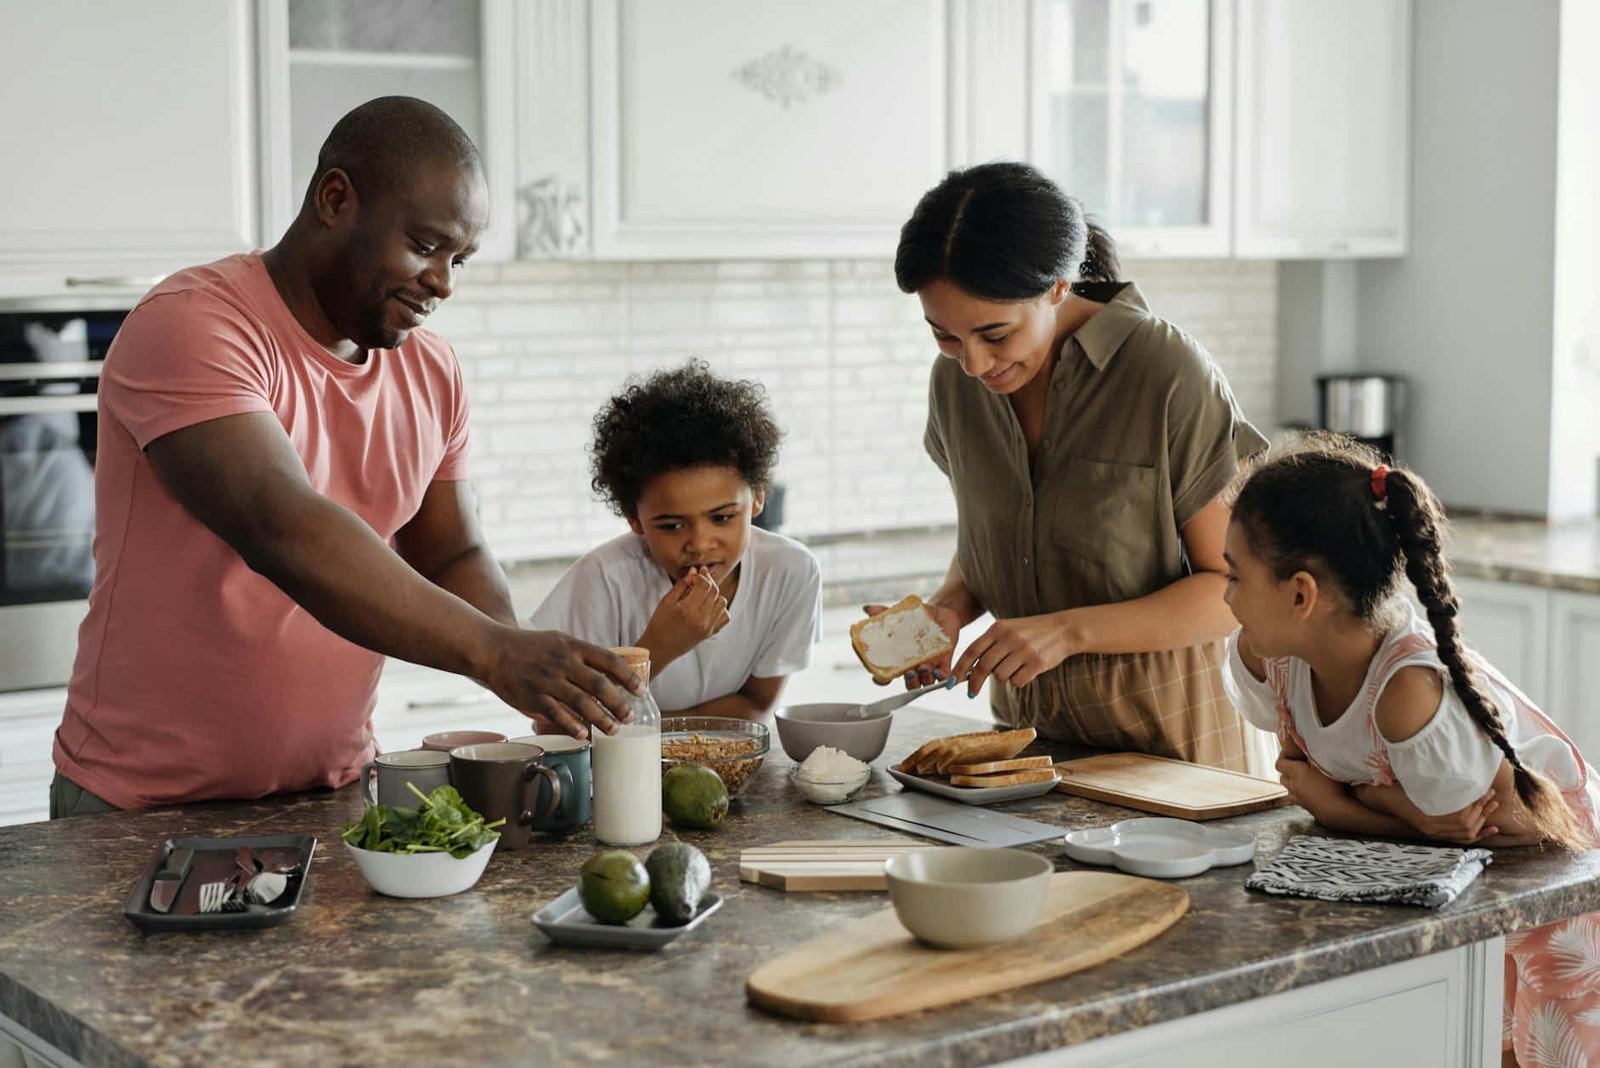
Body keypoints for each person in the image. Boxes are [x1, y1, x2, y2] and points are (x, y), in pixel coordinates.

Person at [50, 97, 639, 818]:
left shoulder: (432, 369)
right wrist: (494, 653)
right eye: (426, 246)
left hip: (332, 793)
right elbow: (283, 527)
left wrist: (532, 671)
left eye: (460, 259)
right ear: (335, 198)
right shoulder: (192, 325)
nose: (444, 282)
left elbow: (452, 551)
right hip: (140, 806)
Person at [877, 161, 1269, 772]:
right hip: (1028, 754)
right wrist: (948, 611)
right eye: (945, 337)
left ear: (1060, 287)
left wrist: (1067, 632)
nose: (974, 365)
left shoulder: (1165, 373)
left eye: (995, 334)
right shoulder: (954, 386)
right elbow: (998, 538)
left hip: (1178, 757)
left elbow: (1235, 591)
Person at [1221, 433, 1600, 1064]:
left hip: (1550, 873)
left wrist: (1346, 806)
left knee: (1536, 1050)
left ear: (1300, 594)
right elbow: (1427, 826)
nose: (1224, 594)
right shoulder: (1272, 656)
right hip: (1462, 877)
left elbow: (1479, 829)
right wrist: (1391, 807)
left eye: (1235, 575)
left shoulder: (1407, 693)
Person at [531, 361, 821, 720]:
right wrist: (658, 648)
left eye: (722, 518)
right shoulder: (604, 580)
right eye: (671, 526)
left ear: (758, 497)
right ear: (633, 517)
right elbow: (552, 724)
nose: (699, 543)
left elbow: (756, 704)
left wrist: (659, 735)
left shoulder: (791, 571)